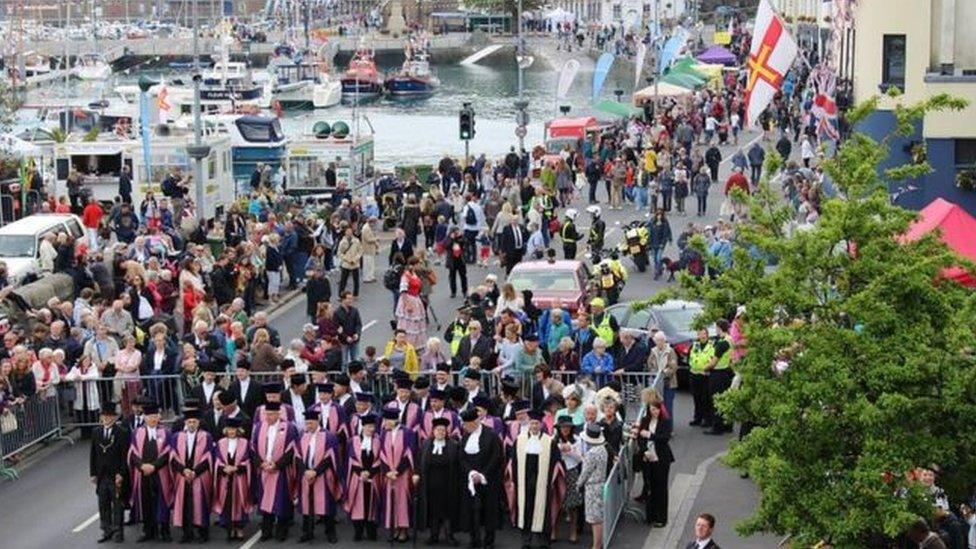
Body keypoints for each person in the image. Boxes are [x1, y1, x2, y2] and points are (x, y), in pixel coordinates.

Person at [510, 408, 565, 548]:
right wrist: (516, 480)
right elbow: (514, 461)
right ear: (529, 423)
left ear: (541, 424)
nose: (534, 426)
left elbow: (556, 461)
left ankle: (543, 541)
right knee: (525, 510)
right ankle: (526, 540)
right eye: (532, 423)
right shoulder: (520, 440)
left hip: (543, 482)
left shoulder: (549, 442)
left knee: (543, 510)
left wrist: (551, 480)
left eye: (537, 423)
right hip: (524, 481)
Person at [251, 401, 299, 541]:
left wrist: (277, 465)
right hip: (264, 470)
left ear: (279, 413)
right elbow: (253, 448)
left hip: (281, 471)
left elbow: (292, 450)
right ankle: (266, 531)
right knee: (265, 502)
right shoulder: (259, 427)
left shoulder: (289, 428)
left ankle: (282, 531)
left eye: (272, 414)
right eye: (267, 414)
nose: (269, 417)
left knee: (282, 501)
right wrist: (261, 464)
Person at [127, 402, 173, 542]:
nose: (153, 419)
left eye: (155, 416)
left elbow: (168, 453)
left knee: (162, 500)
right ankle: (148, 530)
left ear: (158, 417)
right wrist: (142, 466)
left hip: (160, 473)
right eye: (149, 416)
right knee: (145, 501)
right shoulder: (137, 432)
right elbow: (133, 453)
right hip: (143, 474)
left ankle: (164, 530)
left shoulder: (165, 432)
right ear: (145, 418)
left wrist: (154, 466)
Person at [458, 408, 504, 549]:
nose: (465, 427)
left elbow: (496, 457)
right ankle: (474, 539)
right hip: (471, 478)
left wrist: (482, 475)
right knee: (471, 510)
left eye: (467, 424)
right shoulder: (466, 436)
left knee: (489, 510)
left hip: (488, 479)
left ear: (476, 421)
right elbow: (462, 458)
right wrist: (471, 473)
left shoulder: (491, 435)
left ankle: (489, 541)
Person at [296, 410, 343, 543]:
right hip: (306, 475)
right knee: (306, 505)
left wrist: (316, 471)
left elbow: (330, 458)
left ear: (317, 421)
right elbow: (298, 456)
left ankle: (330, 532)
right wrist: (305, 471)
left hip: (323, 476)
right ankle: (307, 532)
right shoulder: (302, 435)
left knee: (326, 505)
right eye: (306, 423)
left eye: (311, 423)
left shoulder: (329, 436)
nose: (308, 426)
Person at [170, 408, 214, 543]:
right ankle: (186, 533)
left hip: (199, 476)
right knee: (185, 504)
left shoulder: (206, 436)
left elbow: (208, 457)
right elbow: (173, 456)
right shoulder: (177, 437)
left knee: (200, 503)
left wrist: (195, 472)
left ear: (198, 423)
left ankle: (202, 533)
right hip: (183, 476)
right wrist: (183, 470)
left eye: (194, 422)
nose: (191, 424)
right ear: (185, 422)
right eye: (189, 422)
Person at [414, 416, 461, 545]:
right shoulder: (426, 445)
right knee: (433, 511)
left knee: (448, 511)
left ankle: (449, 535)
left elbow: (458, 464)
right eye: (438, 430)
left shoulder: (454, 445)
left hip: (448, 484)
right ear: (433, 431)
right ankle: (434, 535)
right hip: (430, 485)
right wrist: (416, 473)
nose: (440, 432)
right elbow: (418, 462)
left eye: (443, 430)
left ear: (446, 432)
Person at [632, 388, 674, 528]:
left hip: (661, 458)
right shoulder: (645, 420)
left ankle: (661, 518)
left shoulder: (665, 422)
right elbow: (640, 438)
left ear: (660, 409)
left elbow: (664, 438)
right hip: (647, 458)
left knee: (661, 488)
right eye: (652, 409)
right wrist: (644, 452)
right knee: (650, 487)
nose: (654, 411)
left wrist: (650, 435)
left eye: (656, 409)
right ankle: (650, 516)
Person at [90, 402, 128, 544]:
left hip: (115, 474)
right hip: (101, 475)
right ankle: (106, 529)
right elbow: (93, 454)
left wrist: (122, 473)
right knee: (103, 503)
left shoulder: (121, 433)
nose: (107, 419)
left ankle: (119, 531)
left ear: (115, 417)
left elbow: (125, 456)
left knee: (117, 503)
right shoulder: (96, 432)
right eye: (104, 416)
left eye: (110, 416)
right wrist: (93, 473)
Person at [212, 416, 253, 542]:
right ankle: (230, 529)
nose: (231, 432)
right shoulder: (221, 443)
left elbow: (247, 460)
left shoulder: (245, 443)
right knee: (227, 503)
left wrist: (236, 468)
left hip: (239, 479)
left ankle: (239, 529)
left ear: (238, 430)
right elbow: (217, 460)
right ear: (226, 430)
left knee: (240, 503)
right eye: (229, 429)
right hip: (225, 479)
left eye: (234, 429)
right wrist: (224, 468)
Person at [379, 407, 415, 542]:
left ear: (395, 420)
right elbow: (381, 454)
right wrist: (388, 470)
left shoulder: (408, 433)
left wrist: (397, 471)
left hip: (403, 473)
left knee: (402, 500)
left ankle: (403, 530)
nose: (385, 422)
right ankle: (394, 528)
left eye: (387, 420)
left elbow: (409, 454)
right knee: (391, 500)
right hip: (389, 474)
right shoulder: (384, 434)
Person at [345, 413, 382, 541]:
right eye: (368, 426)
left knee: (371, 504)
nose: (371, 429)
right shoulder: (353, 440)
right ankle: (358, 531)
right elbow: (351, 459)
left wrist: (370, 472)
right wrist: (361, 472)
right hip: (357, 477)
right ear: (363, 426)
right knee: (358, 504)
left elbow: (380, 459)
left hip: (373, 477)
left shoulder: (378, 440)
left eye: (373, 426)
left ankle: (371, 531)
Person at [577, 423, 609, 549]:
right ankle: (598, 544)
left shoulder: (591, 453)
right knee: (598, 517)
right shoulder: (603, 450)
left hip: (592, 487)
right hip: (600, 483)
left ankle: (596, 545)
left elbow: (585, 473)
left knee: (595, 519)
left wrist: (578, 484)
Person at [553, 415, 582, 543]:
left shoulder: (577, 439)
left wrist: (570, 450)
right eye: (563, 427)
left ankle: (573, 532)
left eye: (568, 427)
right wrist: (559, 448)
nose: (565, 429)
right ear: (559, 428)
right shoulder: (553, 440)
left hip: (571, 472)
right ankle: (554, 531)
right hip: (558, 472)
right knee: (556, 501)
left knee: (573, 503)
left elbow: (580, 458)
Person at [704, 319, 734, 435]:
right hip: (727, 371)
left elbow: (714, 362)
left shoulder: (722, 343)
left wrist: (704, 368)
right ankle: (727, 424)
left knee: (716, 400)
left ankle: (717, 426)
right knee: (726, 399)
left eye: (716, 328)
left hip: (718, 373)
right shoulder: (729, 339)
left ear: (719, 328)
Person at [647, 331, 679, 418]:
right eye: (657, 340)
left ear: (665, 340)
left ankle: (669, 428)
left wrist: (663, 374)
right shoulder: (653, 351)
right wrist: (654, 372)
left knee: (668, 406)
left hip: (669, 383)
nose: (659, 342)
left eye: (661, 340)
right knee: (657, 406)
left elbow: (673, 367)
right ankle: (659, 427)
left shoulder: (671, 351)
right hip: (657, 383)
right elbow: (649, 364)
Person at [688, 329, 715, 428]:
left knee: (706, 398)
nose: (702, 336)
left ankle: (707, 419)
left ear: (707, 335)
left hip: (705, 375)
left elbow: (712, 359)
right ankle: (697, 418)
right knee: (696, 397)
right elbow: (689, 357)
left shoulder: (711, 345)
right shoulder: (695, 345)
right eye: (699, 334)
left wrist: (707, 368)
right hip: (694, 373)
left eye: (704, 333)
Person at [337, 223, 363, 297]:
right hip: (346, 263)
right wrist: (346, 259)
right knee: (343, 280)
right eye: (347, 231)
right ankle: (341, 294)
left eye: (350, 231)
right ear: (345, 232)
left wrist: (356, 258)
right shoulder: (342, 242)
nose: (349, 233)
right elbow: (339, 252)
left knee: (356, 280)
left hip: (355, 262)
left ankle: (356, 294)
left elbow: (360, 251)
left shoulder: (356, 241)